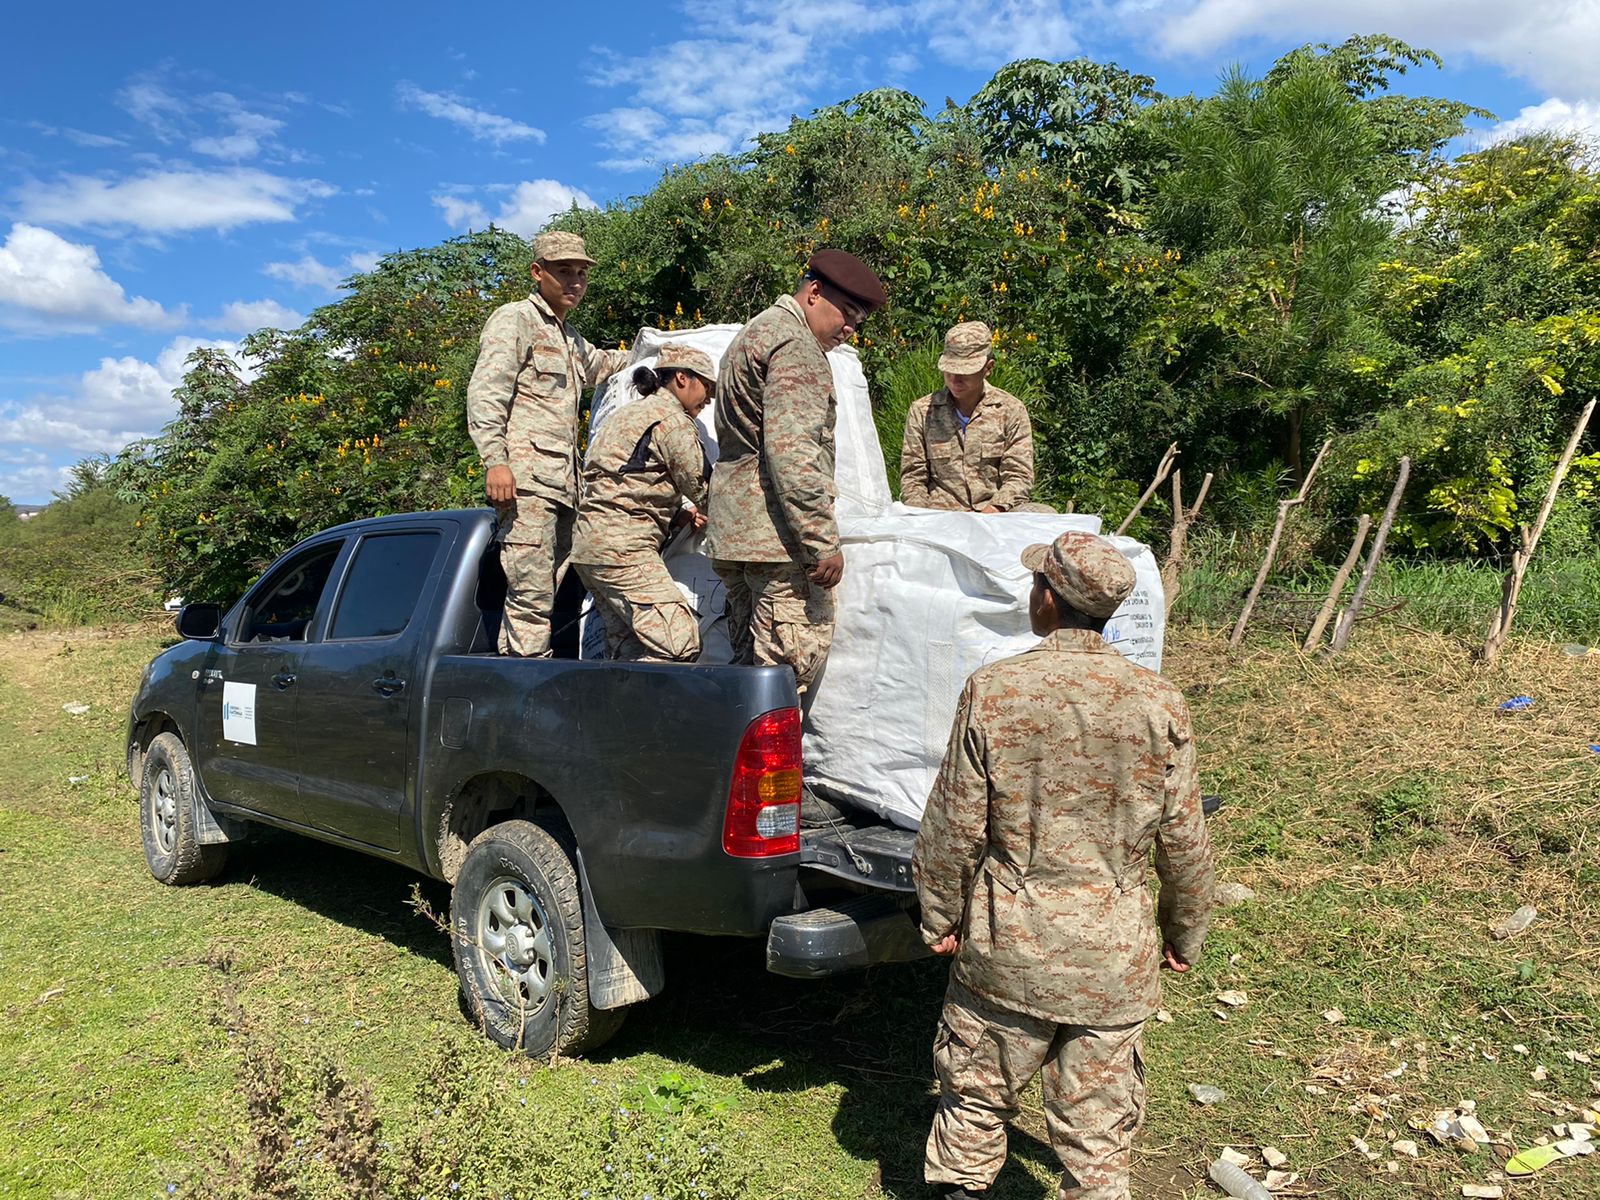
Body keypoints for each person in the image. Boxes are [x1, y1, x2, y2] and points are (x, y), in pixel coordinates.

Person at [912, 530, 1215, 1200]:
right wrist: (1184, 931)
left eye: (1035, 584)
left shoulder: (995, 692)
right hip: (1115, 958)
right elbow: (1185, 842)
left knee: (974, 1102)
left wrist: (938, 917)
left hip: (1008, 945)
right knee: (1100, 1141)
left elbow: (954, 826)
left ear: (1048, 599)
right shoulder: (1161, 702)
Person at [706, 249, 887, 696]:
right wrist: (821, 541)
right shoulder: (796, 346)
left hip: (738, 532)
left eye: (857, 323)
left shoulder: (756, 332)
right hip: (778, 543)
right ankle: (773, 770)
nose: (848, 330)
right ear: (814, 292)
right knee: (782, 685)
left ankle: (731, 768)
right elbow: (793, 454)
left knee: (747, 677)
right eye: (846, 314)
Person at [466, 230, 633, 657]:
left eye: (581, 273)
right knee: (531, 599)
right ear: (538, 273)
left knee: (548, 598)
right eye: (564, 271)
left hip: (564, 488)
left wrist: (657, 349)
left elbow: (601, 364)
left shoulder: (569, 337)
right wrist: (495, 461)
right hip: (527, 484)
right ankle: (523, 695)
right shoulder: (515, 319)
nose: (575, 281)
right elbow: (487, 392)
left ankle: (522, 682)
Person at [572, 345, 715, 662]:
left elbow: (620, 478)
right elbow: (704, 487)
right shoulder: (672, 421)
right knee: (680, 643)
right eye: (707, 386)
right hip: (624, 548)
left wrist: (676, 514)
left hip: (590, 547)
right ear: (682, 378)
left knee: (630, 650)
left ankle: (626, 710)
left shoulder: (625, 417)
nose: (709, 399)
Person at [900, 321, 1046, 513]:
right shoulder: (923, 411)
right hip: (940, 515)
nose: (954, 379)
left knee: (1044, 514)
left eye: (965, 372)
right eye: (949, 370)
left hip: (996, 513)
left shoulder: (1010, 410)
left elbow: (1019, 475)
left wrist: (994, 509)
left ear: (988, 368)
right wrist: (923, 516)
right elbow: (913, 477)